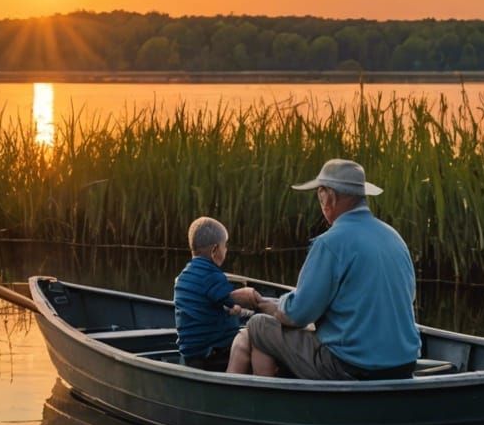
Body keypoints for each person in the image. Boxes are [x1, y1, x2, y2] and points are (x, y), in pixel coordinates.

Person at [227, 158, 420, 380]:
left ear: (328, 196)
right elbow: (404, 297)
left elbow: (297, 314)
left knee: (258, 326)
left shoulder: (330, 243)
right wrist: (279, 303)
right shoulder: (394, 237)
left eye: (320, 194)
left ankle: (266, 405)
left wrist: (268, 307)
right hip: (403, 365)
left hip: (350, 367)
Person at [173, 216, 262, 371]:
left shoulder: (183, 277)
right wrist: (252, 299)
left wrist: (230, 309)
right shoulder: (211, 275)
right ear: (215, 250)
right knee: (254, 341)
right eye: (225, 246)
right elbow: (232, 298)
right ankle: (241, 380)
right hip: (212, 352)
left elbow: (210, 304)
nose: (226, 250)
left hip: (190, 353)